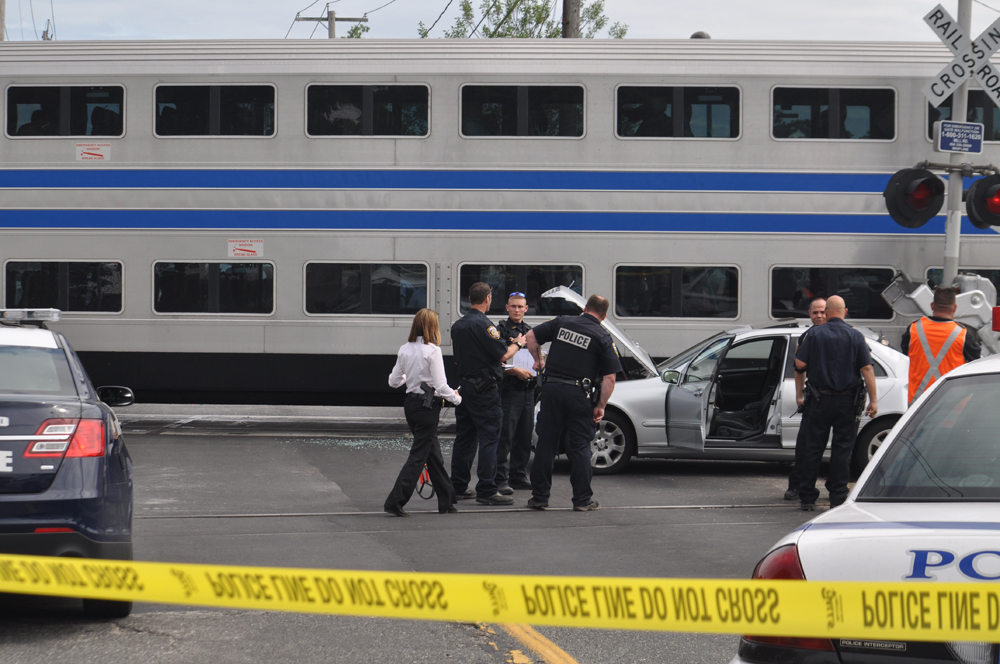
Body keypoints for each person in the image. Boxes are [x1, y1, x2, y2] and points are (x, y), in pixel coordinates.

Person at [524, 294, 621, 512]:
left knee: (546, 444)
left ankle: (539, 497)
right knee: (579, 447)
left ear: (585, 308)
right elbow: (610, 378)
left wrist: (538, 360)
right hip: (579, 394)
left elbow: (531, 337)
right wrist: (600, 406)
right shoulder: (602, 336)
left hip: (551, 390)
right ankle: (582, 500)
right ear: (604, 316)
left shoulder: (562, 322)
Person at [794, 295, 878, 511]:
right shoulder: (856, 335)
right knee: (842, 450)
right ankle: (837, 496)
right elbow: (867, 369)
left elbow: (800, 364)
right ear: (845, 312)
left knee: (813, 448)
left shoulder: (814, 334)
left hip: (819, 401)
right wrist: (874, 400)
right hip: (847, 402)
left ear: (828, 312)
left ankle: (807, 497)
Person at [450, 282, 525, 506]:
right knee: (490, 438)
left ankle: (458, 486)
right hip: (485, 390)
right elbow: (503, 354)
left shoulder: (458, 325)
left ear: (470, 298)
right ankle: (487, 489)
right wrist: (518, 343)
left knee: (465, 438)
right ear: (487, 299)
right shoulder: (485, 325)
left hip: (465, 386)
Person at [384, 309, 462, 517]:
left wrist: (410, 379)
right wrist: (457, 399)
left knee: (432, 453)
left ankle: (447, 500)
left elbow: (393, 382)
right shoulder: (433, 351)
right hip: (428, 407)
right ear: (432, 326)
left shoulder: (404, 349)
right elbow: (441, 385)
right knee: (419, 455)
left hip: (411, 405)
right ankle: (395, 501)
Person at [900, 285, 981, 405]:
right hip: (951, 405)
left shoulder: (914, 329)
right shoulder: (963, 334)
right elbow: (976, 365)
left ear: (932, 306)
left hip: (917, 405)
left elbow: (906, 353)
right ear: (955, 308)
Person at [784, 297, 826, 501]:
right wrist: (799, 395)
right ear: (809, 314)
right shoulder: (806, 337)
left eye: (823, 312)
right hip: (815, 398)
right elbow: (799, 369)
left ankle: (836, 488)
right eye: (815, 312)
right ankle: (797, 485)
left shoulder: (845, 333)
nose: (819, 316)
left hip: (840, 398)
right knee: (804, 445)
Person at [495, 292, 536, 494]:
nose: (517, 310)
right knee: (505, 436)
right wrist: (514, 371)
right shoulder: (500, 330)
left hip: (527, 389)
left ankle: (518, 475)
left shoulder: (529, 331)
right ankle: (500, 479)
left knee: (524, 435)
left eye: (520, 307)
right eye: (513, 306)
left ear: (526, 309)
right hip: (509, 389)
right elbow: (496, 361)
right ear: (507, 307)